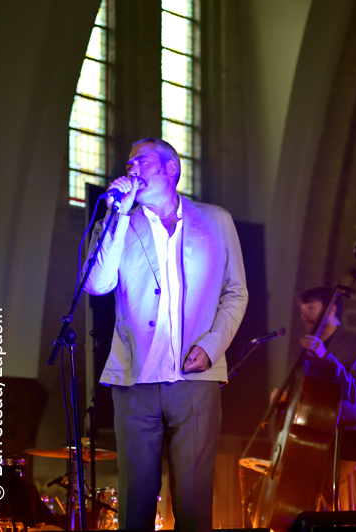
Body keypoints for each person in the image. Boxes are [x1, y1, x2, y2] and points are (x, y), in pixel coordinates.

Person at [83, 138, 248, 531]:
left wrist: (212, 346)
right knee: (135, 504)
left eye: (140, 160)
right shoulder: (119, 222)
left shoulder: (216, 220)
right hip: (135, 381)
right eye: (128, 162)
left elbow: (235, 290)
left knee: (193, 504)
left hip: (195, 380)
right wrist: (118, 217)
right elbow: (96, 284)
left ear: (171, 168)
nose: (131, 168)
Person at [296, 287, 356, 509]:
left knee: (325, 480)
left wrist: (325, 357)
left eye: (310, 308)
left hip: (348, 435)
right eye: (302, 310)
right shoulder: (304, 350)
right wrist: (284, 398)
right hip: (313, 435)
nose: (304, 315)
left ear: (332, 309)